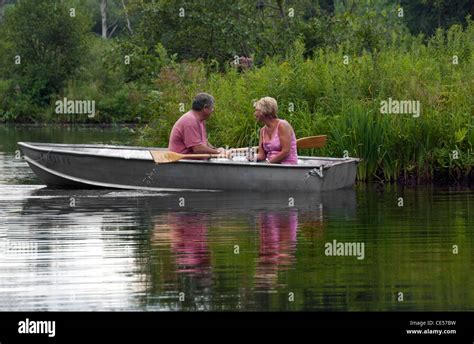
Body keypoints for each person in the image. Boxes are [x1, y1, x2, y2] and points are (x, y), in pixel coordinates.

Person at [253, 97, 298, 165]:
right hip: (271, 166)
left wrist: (269, 163)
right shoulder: (262, 131)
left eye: (257, 110)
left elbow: (286, 151)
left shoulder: (282, 125)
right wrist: (247, 158)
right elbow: (261, 155)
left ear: (264, 111)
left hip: (287, 166)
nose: (254, 114)